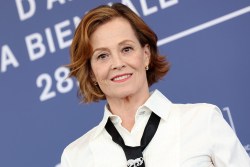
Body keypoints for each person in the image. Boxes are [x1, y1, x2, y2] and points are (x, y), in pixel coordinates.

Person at [61, 3, 250, 167]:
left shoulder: (203, 120)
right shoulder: (76, 158)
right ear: (92, 72)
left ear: (146, 55)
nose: (117, 63)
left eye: (126, 49)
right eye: (102, 56)